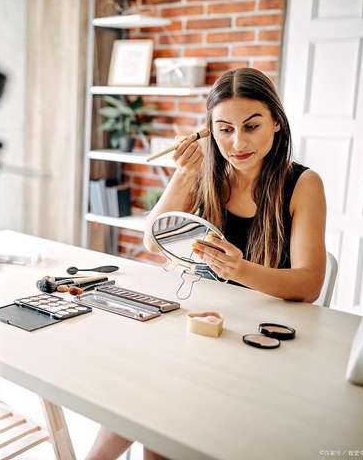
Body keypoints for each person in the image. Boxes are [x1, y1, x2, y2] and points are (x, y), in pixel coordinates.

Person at [85, 67, 327, 460]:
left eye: (251, 126)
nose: (237, 143)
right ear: (209, 130)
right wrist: (183, 176)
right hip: (206, 324)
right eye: (224, 129)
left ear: (277, 123)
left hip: (260, 343)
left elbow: (309, 284)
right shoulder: (206, 173)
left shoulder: (302, 183)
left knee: (157, 407)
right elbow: (153, 240)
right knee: (144, 397)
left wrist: (241, 269)